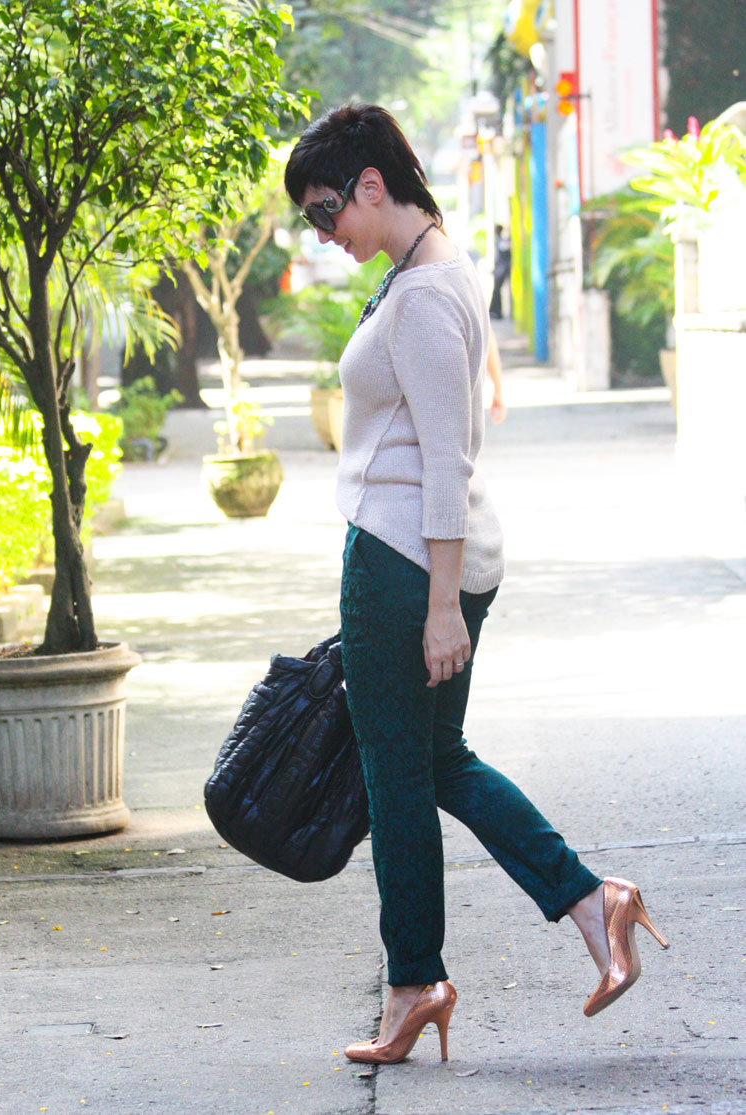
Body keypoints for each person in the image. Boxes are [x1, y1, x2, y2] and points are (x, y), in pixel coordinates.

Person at [283, 103, 668, 1066]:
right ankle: (595, 903)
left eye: (326, 211)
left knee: (397, 778)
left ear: (373, 184)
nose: (324, 235)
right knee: (436, 760)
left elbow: (446, 457)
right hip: (423, 557)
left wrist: (442, 605)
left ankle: (416, 980)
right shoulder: (432, 267)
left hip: (405, 562)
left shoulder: (421, 294)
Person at [489, 223, 511, 319]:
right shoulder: (500, 241)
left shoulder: (502, 242)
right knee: (496, 291)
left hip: (501, 270)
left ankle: (496, 312)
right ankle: (495, 311)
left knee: (497, 291)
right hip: (500, 269)